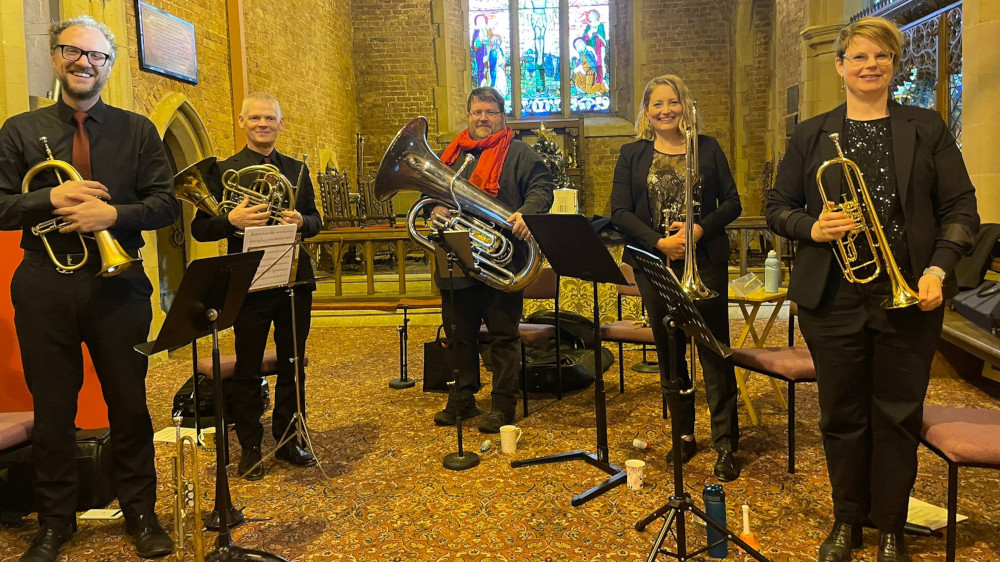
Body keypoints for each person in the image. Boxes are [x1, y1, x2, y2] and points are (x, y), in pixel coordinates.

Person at [765, 17, 978, 562]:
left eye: (881, 57)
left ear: (894, 65)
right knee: (841, 412)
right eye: (858, 57)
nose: (870, 66)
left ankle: (890, 525)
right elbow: (777, 207)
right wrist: (812, 227)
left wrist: (937, 271)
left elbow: (960, 209)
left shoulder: (925, 127)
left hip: (909, 293)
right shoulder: (813, 133)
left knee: (897, 412)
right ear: (839, 66)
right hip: (833, 299)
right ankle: (846, 519)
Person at [0, 16, 179, 561]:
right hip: (43, 285)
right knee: (53, 411)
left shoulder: (138, 130)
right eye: (73, 52)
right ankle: (55, 523)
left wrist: (112, 213)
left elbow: (166, 204)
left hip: (118, 286)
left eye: (97, 56)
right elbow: (3, 207)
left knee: (129, 405)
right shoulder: (20, 130)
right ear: (56, 58)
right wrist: (48, 200)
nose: (85, 63)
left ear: (109, 65)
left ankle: (141, 513)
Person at [610, 74, 742, 482]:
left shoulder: (709, 147)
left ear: (685, 105)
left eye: (673, 103)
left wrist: (700, 229)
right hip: (656, 265)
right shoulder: (632, 154)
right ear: (646, 112)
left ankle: (725, 444)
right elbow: (619, 212)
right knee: (670, 352)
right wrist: (657, 243)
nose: (666, 111)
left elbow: (732, 203)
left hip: (705, 265)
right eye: (657, 105)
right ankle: (684, 434)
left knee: (714, 352)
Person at [191, 92, 322, 480]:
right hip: (249, 280)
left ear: (281, 124)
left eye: (270, 119)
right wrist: (231, 221)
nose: (263, 124)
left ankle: (288, 438)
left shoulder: (297, 171)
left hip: (295, 278)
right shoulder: (223, 171)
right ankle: (250, 445)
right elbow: (201, 228)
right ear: (242, 122)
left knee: (293, 363)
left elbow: (317, 220)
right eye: (256, 118)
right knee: (248, 366)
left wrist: (303, 221)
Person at [430, 86, 554, 433]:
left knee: (502, 335)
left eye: (490, 112)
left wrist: (528, 214)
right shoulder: (452, 156)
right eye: (476, 112)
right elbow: (433, 195)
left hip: (502, 260)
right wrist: (436, 207)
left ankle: (503, 406)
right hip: (455, 256)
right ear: (468, 115)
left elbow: (543, 189)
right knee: (459, 335)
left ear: (502, 117)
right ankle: (462, 400)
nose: (482, 118)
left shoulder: (520, 154)